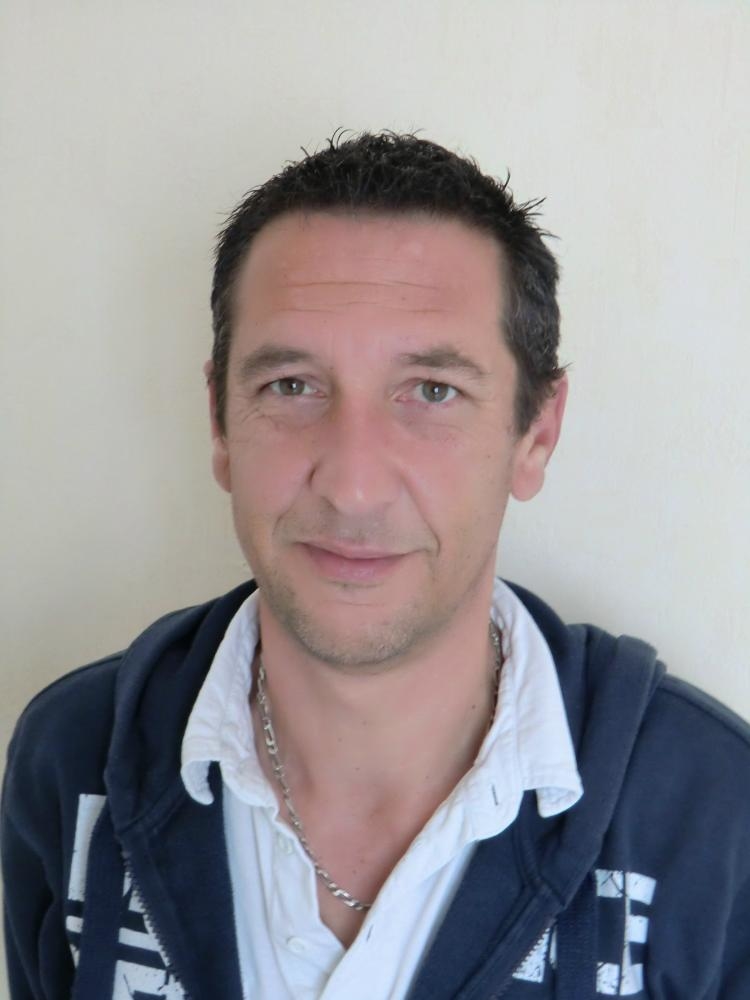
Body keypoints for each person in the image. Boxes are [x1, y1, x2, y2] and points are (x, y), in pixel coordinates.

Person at [2, 132, 749, 1000]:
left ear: (535, 436)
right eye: (291, 386)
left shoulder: (709, 812)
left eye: (433, 392)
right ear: (219, 422)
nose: (353, 486)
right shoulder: (72, 760)